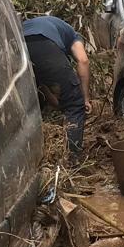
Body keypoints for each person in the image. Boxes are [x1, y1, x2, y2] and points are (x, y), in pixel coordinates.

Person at [22, 15, 91, 156]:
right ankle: (71, 158)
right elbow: (83, 61)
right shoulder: (73, 35)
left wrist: (57, 103)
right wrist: (85, 99)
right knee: (75, 105)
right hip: (43, 43)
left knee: (32, 107)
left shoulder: (44, 24)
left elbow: (41, 84)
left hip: (17, 45)